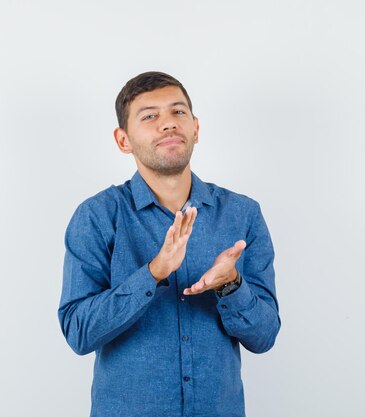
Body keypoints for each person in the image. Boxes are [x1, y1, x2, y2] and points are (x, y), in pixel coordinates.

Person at [58, 71, 280, 417]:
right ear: (123, 140)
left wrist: (231, 286)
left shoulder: (242, 214)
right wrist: (153, 273)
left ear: (195, 128)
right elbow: (79, 331)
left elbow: (264, 337)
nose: (168, 124)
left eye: (178, 113)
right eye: (150, 116)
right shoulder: (97, 216)